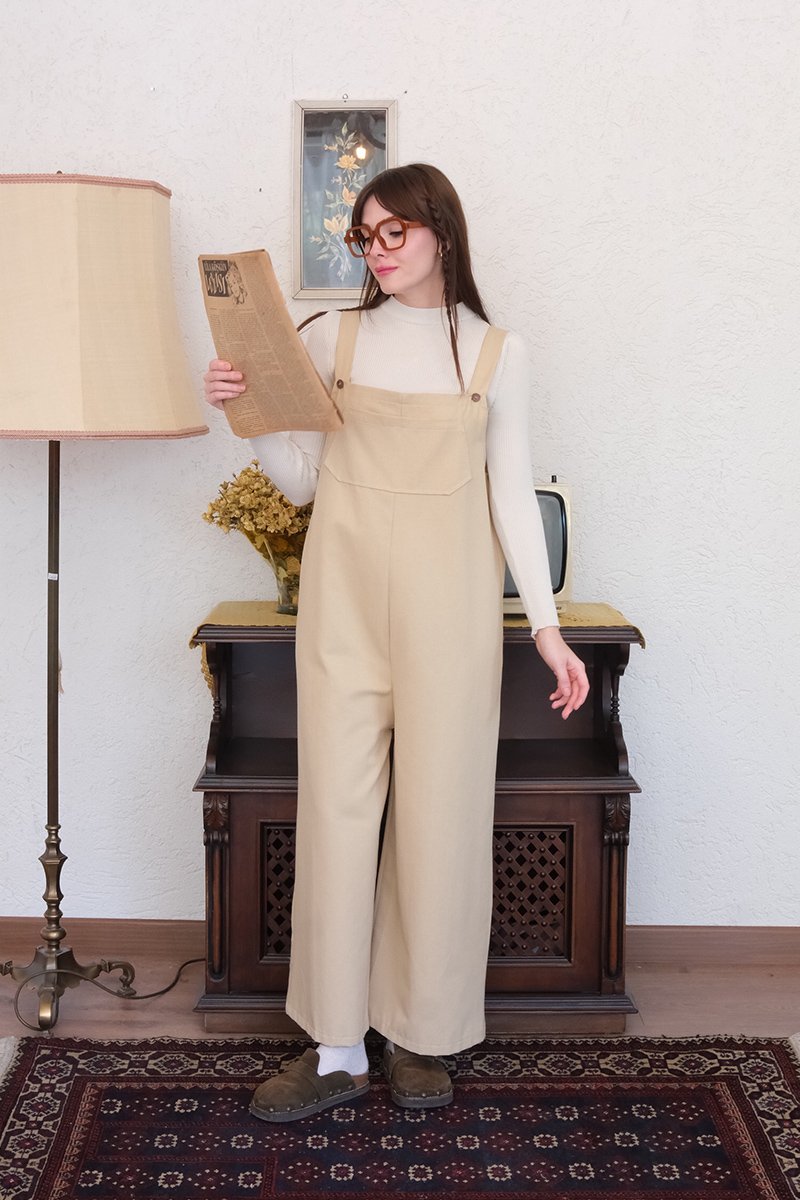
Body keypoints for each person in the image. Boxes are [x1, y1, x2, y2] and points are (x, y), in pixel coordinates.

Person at [204, 163, 589, 1122]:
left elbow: (510, 497)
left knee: (441, 819)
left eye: (394, 232)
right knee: (335, 815)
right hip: (341, 611)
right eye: (364, 235)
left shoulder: (497, 353)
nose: (376, 250)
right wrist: (247, 414)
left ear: (440, 234)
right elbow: (300, 482)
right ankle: (337, 1049)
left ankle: (421, 1035)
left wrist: (547, 630)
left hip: (452, 619)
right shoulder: (329, 339)